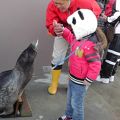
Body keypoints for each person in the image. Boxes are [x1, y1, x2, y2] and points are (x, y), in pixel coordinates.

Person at [46, 0, 101, 95]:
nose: (57, 6)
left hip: (81, 33)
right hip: (63, 31)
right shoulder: (52, 4)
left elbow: (95, 14)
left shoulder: (86, 2)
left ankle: (72, 84)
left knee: (78, 59)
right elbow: (50, 24)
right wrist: (55, 29)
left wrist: (86, 30)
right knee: (57, 57)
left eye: (60, 3)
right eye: (56, 3)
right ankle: (54, 84)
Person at [54, 9, 101, 120]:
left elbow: (96, 65)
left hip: (81, 82)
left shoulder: (90, 46)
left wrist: (89, 79)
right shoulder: (78, 39)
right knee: (70, 100)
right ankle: (69, 116)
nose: (74, 30)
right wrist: (63, 30)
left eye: (75, 27)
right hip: (72, 78)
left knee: (77, 104)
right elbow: (69, 37)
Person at [97, 0, 120, 83]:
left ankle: (104, 76)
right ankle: (111, 75)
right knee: (116, 56)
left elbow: (118, 13)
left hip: (117, 32)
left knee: (112, 54)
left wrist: (108, 19)